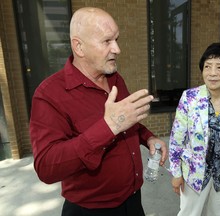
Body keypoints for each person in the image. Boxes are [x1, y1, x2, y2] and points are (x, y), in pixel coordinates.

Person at [29, 7, 167, 216]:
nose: (117, 49)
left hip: (133, 200)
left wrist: (148, 137)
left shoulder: (115, 78)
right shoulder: (49, 94)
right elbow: (46, 167)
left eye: (117, 39)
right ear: (79, 47)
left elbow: (127, 120)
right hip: (91, 210)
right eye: (107, 41)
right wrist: (108, 127)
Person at [169, 42, 220, 216]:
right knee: (188, 213)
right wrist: (176, 173)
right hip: (194, 171)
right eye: (207, 66)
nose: (212, 73)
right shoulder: (190, 98)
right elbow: (176, 139)